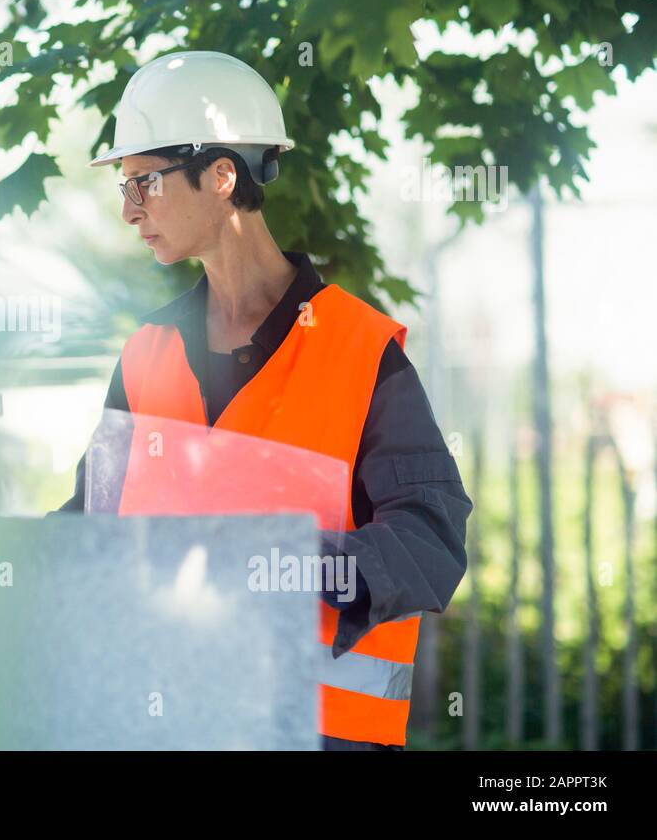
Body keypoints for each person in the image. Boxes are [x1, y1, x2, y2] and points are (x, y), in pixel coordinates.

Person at [53, 51, 471, 750]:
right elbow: (93, 519)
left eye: (145, 183)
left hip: (318, 733)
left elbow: (431, 535)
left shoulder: (358, 349)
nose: (129, 211)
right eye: (124, 188)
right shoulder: (145, 353)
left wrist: (289, 562)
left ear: (220, 176)